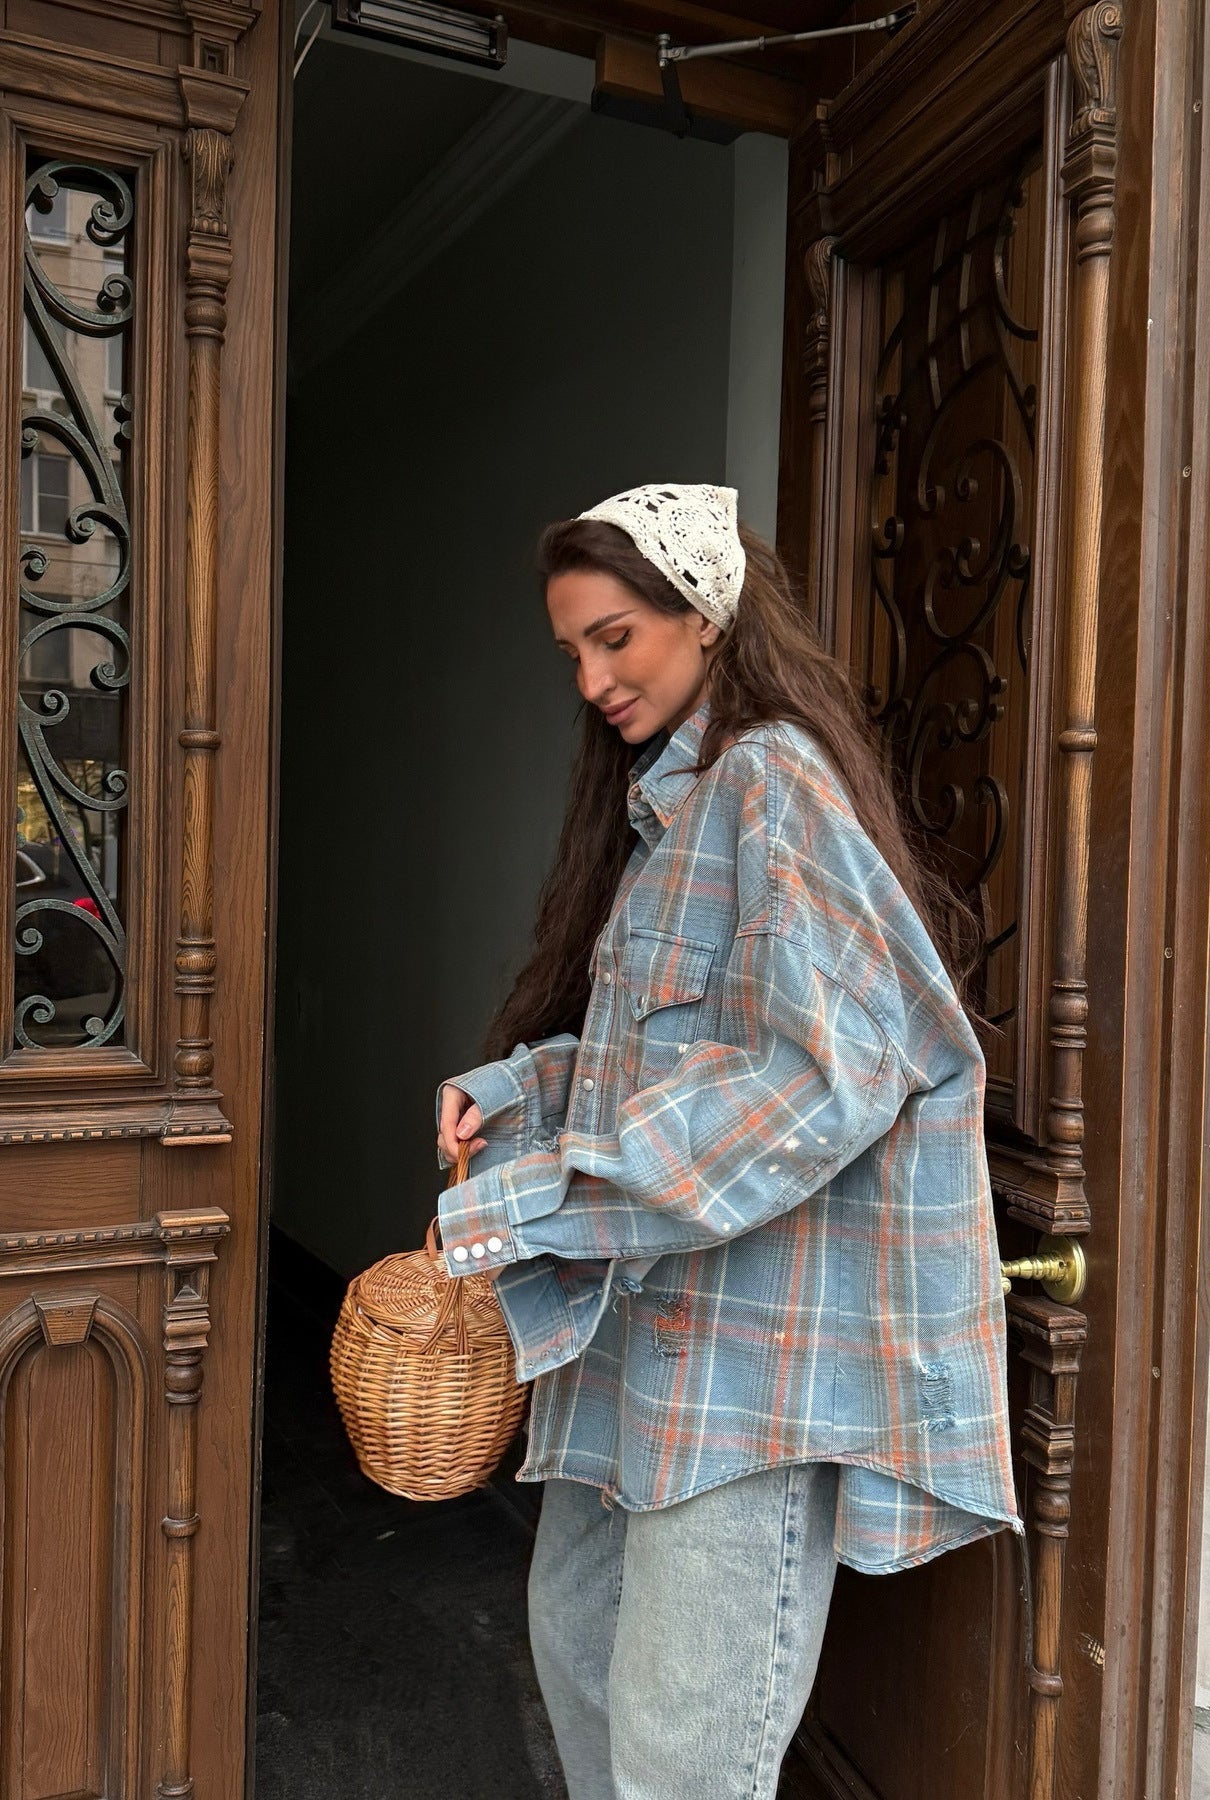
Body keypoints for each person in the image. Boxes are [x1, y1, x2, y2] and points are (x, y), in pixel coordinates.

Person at [434, 483, 1021, 1800]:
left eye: (615, 637)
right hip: (640, 1343)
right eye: (572, 650)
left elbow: (822, 1071)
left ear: (702, 617)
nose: (590, 677)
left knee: (679, 1763)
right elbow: (675, 1050)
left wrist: (538, 1198)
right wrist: (520, 1090)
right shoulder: (669, 815)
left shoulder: (772, 785)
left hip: (746, 1376)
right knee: (579, 1653)